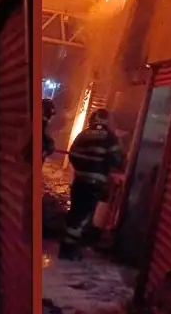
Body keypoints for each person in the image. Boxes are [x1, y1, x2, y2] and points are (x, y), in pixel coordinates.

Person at [60, 108, 124, 260]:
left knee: (75, 213)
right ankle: (71, 251)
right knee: (84, 216)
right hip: (95, 183)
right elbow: (116, 160)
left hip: (79, 181)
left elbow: (73, 155)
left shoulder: (83, 135)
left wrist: (83, 168)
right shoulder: (110, 138)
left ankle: (66, 247)